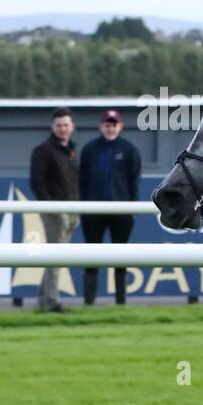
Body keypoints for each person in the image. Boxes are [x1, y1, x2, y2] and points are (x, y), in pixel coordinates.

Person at [78, 109, 141, 305]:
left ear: (120, 126)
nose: (110, 128)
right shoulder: (89, 149)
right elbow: (82, 180)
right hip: (93, 212)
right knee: (91, 257)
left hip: (121, 212)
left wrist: (132, 209)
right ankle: (89, 303)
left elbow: (134, 182)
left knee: (120, 258)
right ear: (101, 126)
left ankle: (120, 303)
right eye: (107, 124)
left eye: (114, 124)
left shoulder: (129, 149)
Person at [28, 107, 80, 312]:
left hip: (73, 210)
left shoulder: (73, 151)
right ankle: (51, 301)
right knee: (55, 257)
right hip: (54, 212)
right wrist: (52, 207)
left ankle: (44, 298)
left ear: (72, 127)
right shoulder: (43, 150)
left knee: (56, 258)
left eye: (66, 125)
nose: (63, 128)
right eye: (59, 125)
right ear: (53, 126)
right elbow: (37, 183)